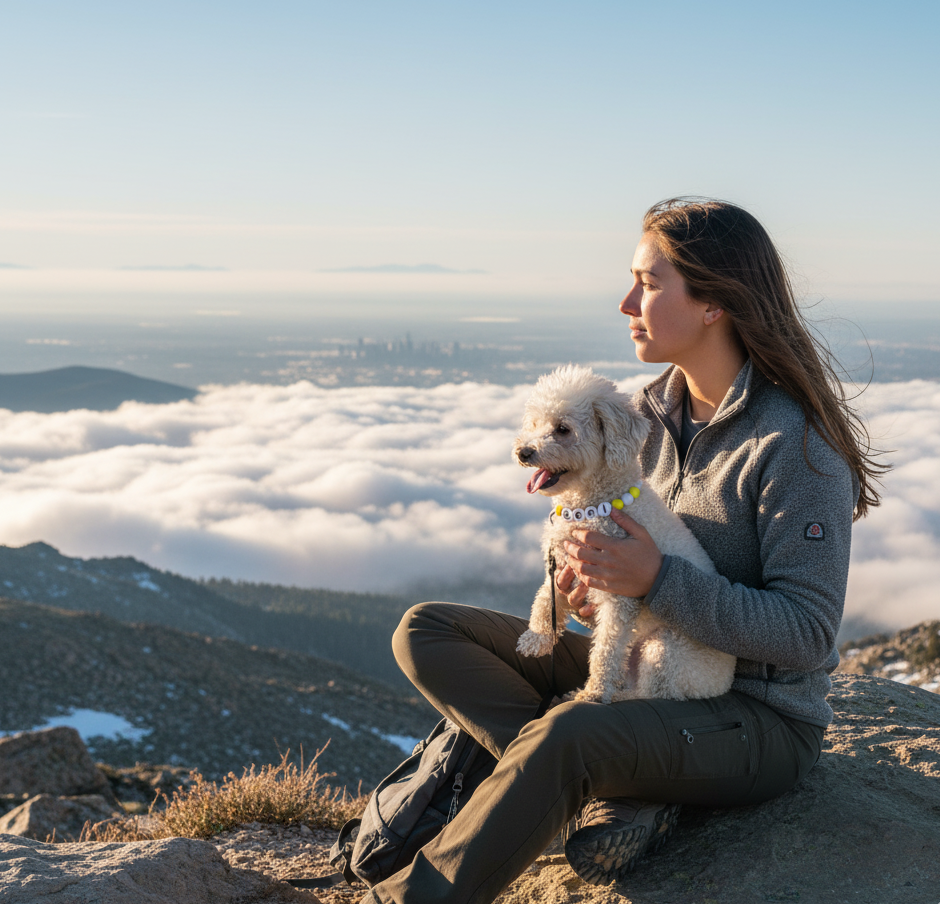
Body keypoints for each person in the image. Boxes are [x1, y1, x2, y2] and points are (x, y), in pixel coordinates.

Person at [357, 198, 886, 904]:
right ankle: (607, 783)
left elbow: (807, 634)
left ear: (713, 304)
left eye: (649, 282)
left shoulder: (795, 446)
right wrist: (587, 593)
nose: (625, 301)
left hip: (757, 719)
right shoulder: (641, 418)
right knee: (428, 630)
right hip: (645, 666)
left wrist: (655, 580)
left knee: (571, 732)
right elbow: (618, 594)